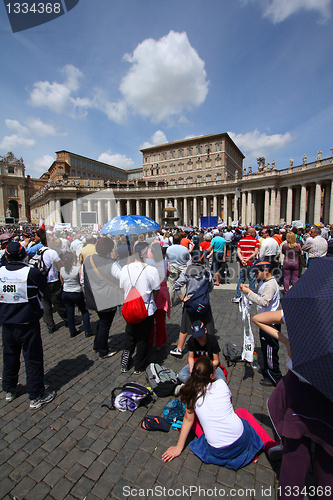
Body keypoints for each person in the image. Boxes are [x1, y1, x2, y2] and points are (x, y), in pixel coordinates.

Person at [252, 310, 333, 500]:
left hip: (301, 391)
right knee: (327, 465)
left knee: (294, 460)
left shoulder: (307, 308)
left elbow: (258, 318)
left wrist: (287, 341)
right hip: (327, 397)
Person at [162, 357, 280, 467]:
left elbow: (188, 419)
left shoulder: (192, 394)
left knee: (192, 418)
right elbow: (230, 405)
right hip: (241, 441)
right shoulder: (221, 384)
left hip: (219, 451)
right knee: (241, 412)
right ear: (212, 375)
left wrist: (178, 447)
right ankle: (269, 444)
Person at [0, 242, 56, 409]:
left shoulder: (1, 272)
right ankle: (36, 394)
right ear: (24, 255)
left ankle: (9, 389)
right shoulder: (31, 273)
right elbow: (41, 292)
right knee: (33, 359)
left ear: (6, 256)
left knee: (9, 357)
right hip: (27, 323)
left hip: (7, 323)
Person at [119, 242, 160, 374]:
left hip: (129, 308)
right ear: (144, 252)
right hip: (146, 309)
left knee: (129, 335)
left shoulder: (125, 268)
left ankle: (124, 363)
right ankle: (139, 365)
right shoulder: (152, 270)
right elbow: (156, 290)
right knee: (143, 337)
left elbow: (122, 288)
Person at [240, 260, 282, 387]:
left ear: (266, 271)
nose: (256, 275)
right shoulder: (264, 282)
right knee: (265, 346)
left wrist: (249, 293)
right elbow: (259, 293)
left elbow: (264, 302)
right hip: (265, 320)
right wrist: (249, 290)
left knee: (270, 349)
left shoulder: (271, 285)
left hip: (270, 322)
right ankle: (268, 370)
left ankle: (274, 375)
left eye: (257, 272)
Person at [82, 237, 122, 359]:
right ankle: (103, 351)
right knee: (105, 324)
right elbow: (123, 277)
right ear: (109, 249)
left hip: (94, 297)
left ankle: (96, 345)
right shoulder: (111, 263)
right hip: (107, 298)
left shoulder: (88, 260)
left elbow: (83, 280)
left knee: (101, 321)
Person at [170, 250, 214, 357]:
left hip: (190, 302)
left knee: (185, 327)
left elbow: (177, 285)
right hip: (203, 303)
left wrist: (182, 298)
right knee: (207, 325)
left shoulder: (187, 271)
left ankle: (179, 348)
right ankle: (208, 348)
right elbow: (210, 287)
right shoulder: (207, 273)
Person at [36, 229, 68, 333]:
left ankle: (50, 325)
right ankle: (67, 319)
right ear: (46, 241)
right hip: (52, 280)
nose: (54, 241)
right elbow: (61, 266)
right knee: (58, 302)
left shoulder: (40, 250)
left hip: (42, 281)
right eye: (52, 240)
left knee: (46, 304)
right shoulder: (52, 252)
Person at [59, 252, 91, 338]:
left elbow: (62, 281)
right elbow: (81, 282)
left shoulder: (62, 269)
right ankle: (87, 330)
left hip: (66, 292)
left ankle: (72, 331)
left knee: (70, 312)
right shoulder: (77, 269)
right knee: (84, 311)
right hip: (76, 292)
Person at [146, 241, 171, 350]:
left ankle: (149, 341)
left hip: (151, 291)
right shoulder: (166, 262)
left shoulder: (147, 262)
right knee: (160, 320)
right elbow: (168, 274)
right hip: (162, 291)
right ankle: (160, 343)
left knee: (150, 319)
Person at [231, 227, 260, 303]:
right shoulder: (256, 241)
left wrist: (242, 259)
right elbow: (255, 253)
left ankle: (237, 296)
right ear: (251, 233)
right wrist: (247, 260)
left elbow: (238, 251)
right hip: (251, 263)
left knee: (241, 279)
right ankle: (251, 298)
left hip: (242, 263)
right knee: (252, 280)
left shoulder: (241, 241)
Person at [166, 233, 190, 306]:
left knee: (171, 284)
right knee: (183, 285)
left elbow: (167, 258)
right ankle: (183, 302)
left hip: (173, 266)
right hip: (182, 266)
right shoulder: (184, 248)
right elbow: (188, 258)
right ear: (180, 240)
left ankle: (170, 302)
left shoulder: (169, 248)